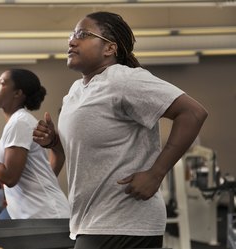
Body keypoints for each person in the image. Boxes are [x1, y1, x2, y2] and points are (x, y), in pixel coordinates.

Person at [32, 11, 208, 249]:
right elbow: (88, 146)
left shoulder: (124, 80)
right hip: (90, 220)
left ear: (109, 48)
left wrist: (156, 174)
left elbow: (193, 113)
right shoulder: (76, 90)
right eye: (72, 35)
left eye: (83, 34)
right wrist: (54, 142)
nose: (71, 41)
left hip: (125, 221)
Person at [0, 68, 70, 219]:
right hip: (36, 214)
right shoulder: (19, 121)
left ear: (17, 93)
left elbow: (9, 177)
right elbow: (51, 167)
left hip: (46, 215)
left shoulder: (19, 122)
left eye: (1, 83)